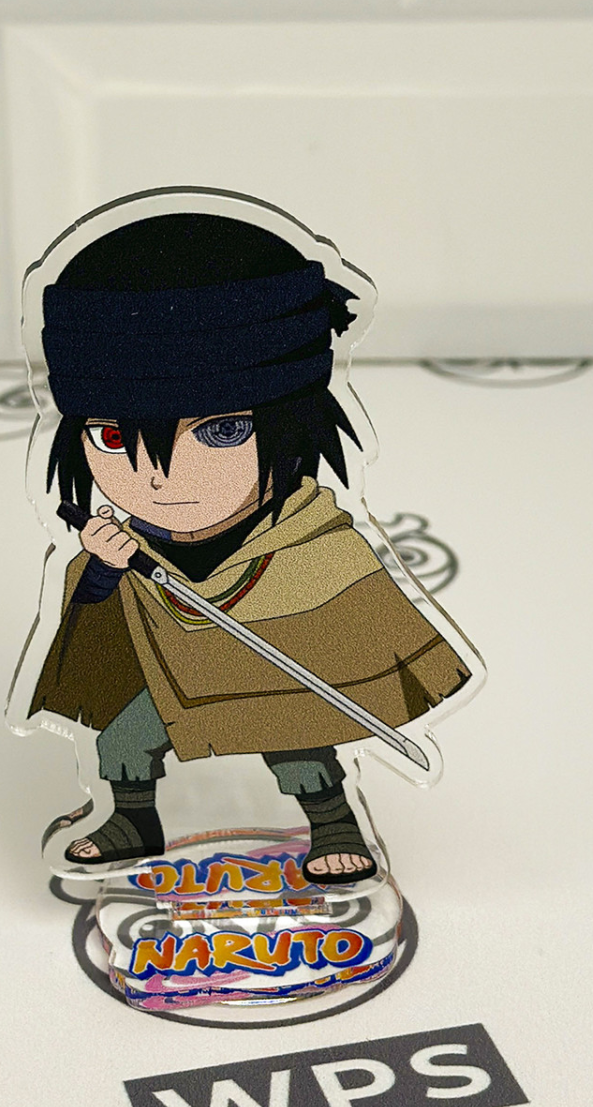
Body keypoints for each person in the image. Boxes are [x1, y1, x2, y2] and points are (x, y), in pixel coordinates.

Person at [26, 210, 472, 885]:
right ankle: (133, 820)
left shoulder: (311, 540)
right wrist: (106, 570)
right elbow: (93, 637)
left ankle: (332, 820)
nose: (162, 479)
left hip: (270, 673)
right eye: (114, 439)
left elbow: (367, 626)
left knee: (295, 732)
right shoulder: (124, 539)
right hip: (169, 670)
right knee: (123, 736)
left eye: (223, 432)